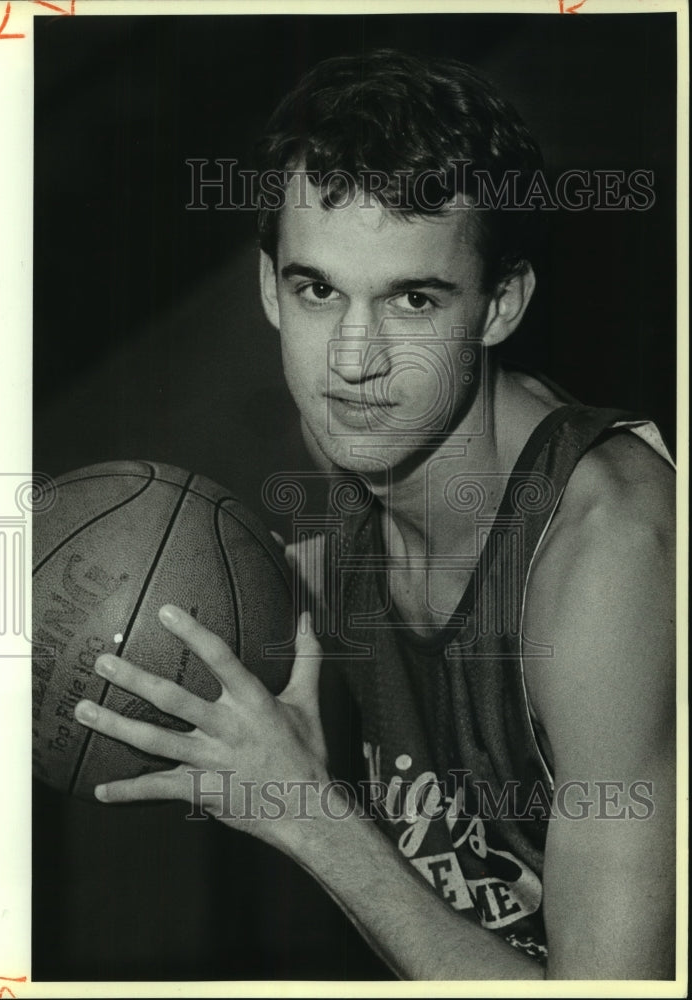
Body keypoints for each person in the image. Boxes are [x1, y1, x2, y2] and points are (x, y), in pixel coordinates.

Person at [72, 50, 676, 979]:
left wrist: (313, 817)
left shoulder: (612, 563)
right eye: (319, 290)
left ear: (501, 304)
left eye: (412, 299)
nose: (354, 358)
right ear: (271, 288)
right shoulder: (367, 445)